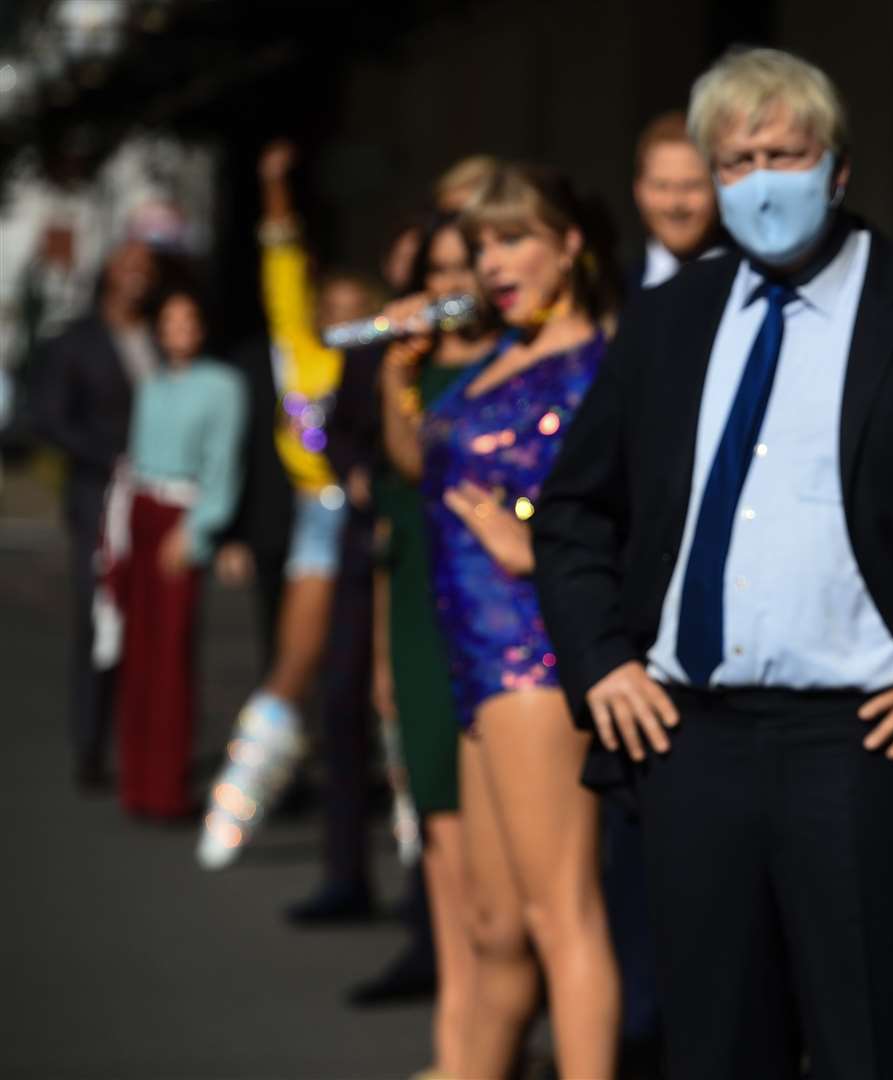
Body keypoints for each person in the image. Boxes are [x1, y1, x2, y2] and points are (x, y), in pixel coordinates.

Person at [532, 47, 893, 1080]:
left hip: (868, 748)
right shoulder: (666, 322)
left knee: (880, 1045)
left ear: (839, 166)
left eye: (786, 153)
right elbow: (574, 512)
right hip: (690, 741)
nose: (762, 179)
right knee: (718, 1051)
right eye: (736, 161)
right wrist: (600, 660)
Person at [416, 162, 621, 1078]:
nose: (492, 264)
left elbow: (632, 519)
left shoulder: (600, 363)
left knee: (557, 914)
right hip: (470, 659)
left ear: (570, 244)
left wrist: (529, 539)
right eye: (481, 246)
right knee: (493, 928)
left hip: (536, 657)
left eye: (514, 240)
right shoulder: (495, 354)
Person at [197, 140, 379, 869]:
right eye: (327, 307)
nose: (339, 317)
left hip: (377, 519)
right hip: (318, 511)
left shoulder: (384, 355)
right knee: (294, 661)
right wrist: (274, 185)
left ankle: (410, 829)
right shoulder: (301, 351)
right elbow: (280, 259)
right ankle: (235, 806)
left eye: (353, 309)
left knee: (384, 683)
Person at [371, 208, 496, 1074]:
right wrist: (393, 382)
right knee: (441, 840)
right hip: (417, 606)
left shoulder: (513, 366)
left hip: (490, 616)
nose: (452, 285)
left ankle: (490, 1040)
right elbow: (403, 486)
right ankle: (457, 1040)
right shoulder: (414, 372)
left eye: (465, 266)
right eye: (438, 270)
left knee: (502, 872)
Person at [107, 288, 246, 818]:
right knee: (136, 649)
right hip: (139, 511)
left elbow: (222, 465)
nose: (179, 329)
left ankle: (167, 784)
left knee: (170, 655)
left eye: (189, 319)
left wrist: (198, 529)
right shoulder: (151, 385)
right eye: (170, 320)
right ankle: (136, 781)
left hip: (179, 517)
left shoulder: (223, 387)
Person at [31, 239, 157, 790]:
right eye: (127, 264)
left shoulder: (160, 334)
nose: (137, 276)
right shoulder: (74, 341)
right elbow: (52, 419)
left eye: (146, 267)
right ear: (108, 270)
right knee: (98, 616)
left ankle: (142, 742)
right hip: (100, 494)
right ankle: (90, 742)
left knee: (151, 620)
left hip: (159, 495)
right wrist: (112, 460)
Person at [629, 111, 725, 291]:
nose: (675, 204)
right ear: (638, 190)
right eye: (661, 186)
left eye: (691, 186)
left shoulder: (748, 287)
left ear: (718, 188)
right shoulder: (614, 293)